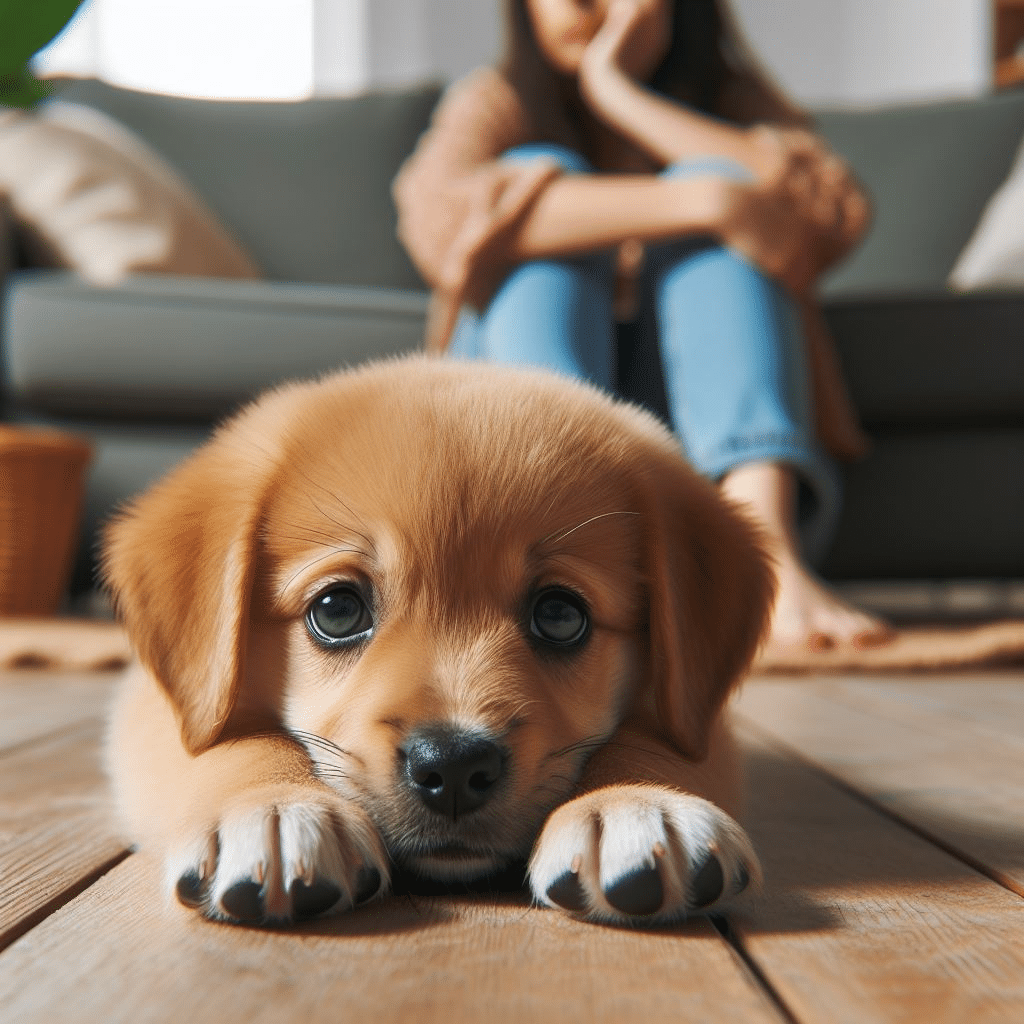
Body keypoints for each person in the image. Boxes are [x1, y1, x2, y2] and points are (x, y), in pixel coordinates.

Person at [393, 0, 893, 655]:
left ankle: (762, 552)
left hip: (700, 457)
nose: (580, 6)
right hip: (525, 451)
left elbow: (825, 214)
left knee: (721, 200)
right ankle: (555, 538)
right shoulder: (497, 101)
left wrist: (617, 90)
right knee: (541, 191)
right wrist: (702, 203)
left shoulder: (735, 100)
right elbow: (440, 221)